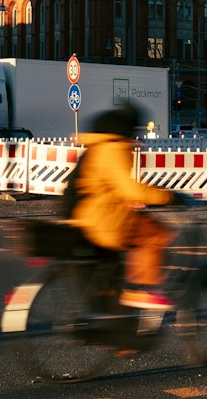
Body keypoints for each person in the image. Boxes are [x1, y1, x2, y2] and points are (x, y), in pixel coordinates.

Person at [67, 102, 178, 310]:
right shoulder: (114, 147)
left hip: (92, 214)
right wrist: (168, 196)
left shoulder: (99, 146)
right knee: (157, 233)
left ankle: (124, 299)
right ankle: (141, 290)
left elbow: (111, 185)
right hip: (104, 220)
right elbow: (130, 189)